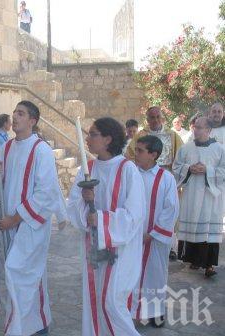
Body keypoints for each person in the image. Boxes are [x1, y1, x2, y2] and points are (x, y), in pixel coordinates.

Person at [67, 117, 145, 336]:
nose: (88, 138)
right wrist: (84, 201)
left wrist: (100, 219)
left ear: (108, 139)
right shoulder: (88, 168)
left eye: (93, 134)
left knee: (111, 304)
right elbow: (72, 206)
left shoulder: (128, 170)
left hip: (120, 251)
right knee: (95, 302)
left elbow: (135, 215)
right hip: (94, 250)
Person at [0, 101, 66, 336]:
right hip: (10, 224)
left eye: (21, 114)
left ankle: (30, 328)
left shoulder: (41, 150)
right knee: (20, 278)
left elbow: (45, 194)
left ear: (32, 121)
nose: (14, 117)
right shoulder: (5, 149)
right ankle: (31, 326)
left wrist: (15, 219)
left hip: (30, 227)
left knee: (23, 275)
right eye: (14, 112)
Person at [129, 135, 179, 328]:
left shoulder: (166, 178)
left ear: (154, 154)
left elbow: (171, 208)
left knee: (155, 275)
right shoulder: (130, 173)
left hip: (155, 238)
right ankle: (131, 311)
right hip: (133, 237)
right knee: (131, 274)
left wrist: (153, 233)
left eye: (140, 151)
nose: (136, 154)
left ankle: (155, 313)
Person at [173, 116, 225, 278]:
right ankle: (194, 260)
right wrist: (188, 169)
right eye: (195, 127)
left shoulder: (220, 149)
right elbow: (176, 167)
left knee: (208, 229)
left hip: (211, 197)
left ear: (208, 130)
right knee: (193, 225)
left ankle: (209, 265)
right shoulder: (186, 148)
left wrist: (207, 170)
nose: (195, 130)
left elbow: (223, 171)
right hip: (191, 195)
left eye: (200, 127)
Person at [125, 106, 184, 171]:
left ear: (162, 118)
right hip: (146, 171)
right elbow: (130, 155)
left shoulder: (172, 135)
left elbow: (182, 153)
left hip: (166, 171)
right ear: (148, 120)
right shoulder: (140, 135)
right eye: (152, 117)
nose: (156, 120)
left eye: (158, 117)